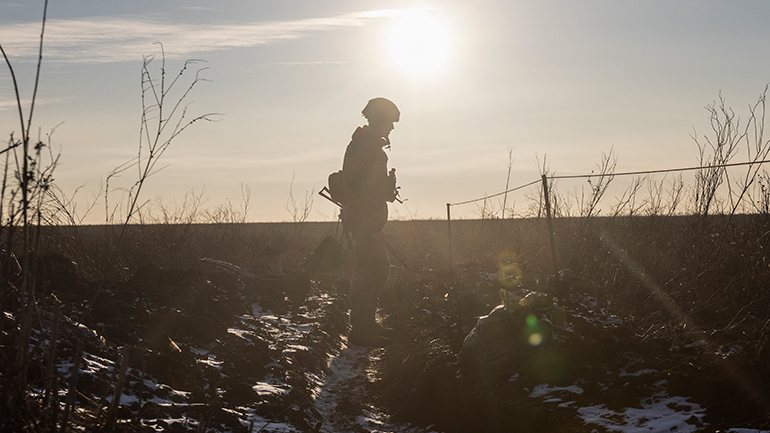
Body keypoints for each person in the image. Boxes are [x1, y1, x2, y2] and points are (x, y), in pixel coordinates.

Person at [341, 97, 400, 347]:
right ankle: (361, 330)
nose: (392, 128)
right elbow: (361, 186)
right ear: (378, 120)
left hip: (368, 220)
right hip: (363, 220)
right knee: (368, 271)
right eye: (389, 122)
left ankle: (366, 324)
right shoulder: (364, 147)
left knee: (377, 269)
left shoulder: (368, 146)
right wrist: (381, 190)